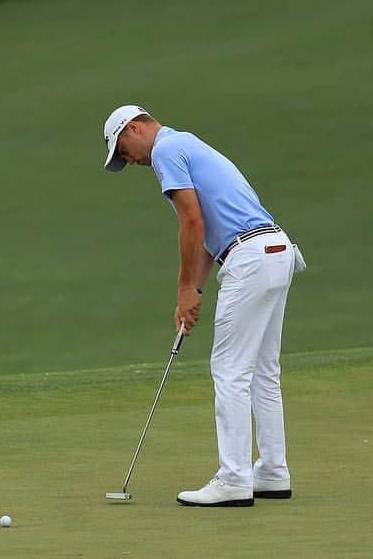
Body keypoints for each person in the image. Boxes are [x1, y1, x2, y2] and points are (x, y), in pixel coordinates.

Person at [101, 104, 303, 506]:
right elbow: (209, 233)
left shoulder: (164, 151)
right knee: (263, 370)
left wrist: (182, 290)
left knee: (230, 370)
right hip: (274, 250)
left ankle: (233, 478)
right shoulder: (186, 143)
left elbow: (191, 222)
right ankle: (273, 472)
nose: (129, 160)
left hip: (249, 258)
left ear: (135, 128)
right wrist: (193, 292)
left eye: (122, 149)